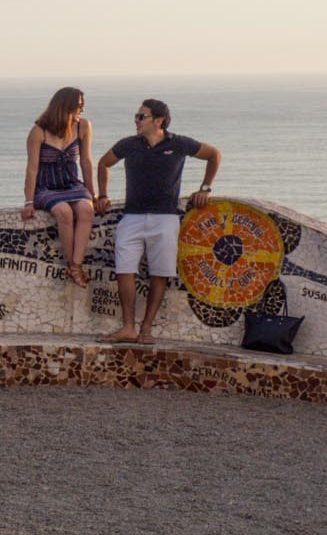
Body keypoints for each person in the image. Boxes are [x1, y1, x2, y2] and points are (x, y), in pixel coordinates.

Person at [93, 98, 223, 344]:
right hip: (132, 216)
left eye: (141, 116)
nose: (136, 120)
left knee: (160, 273)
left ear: (158, 120)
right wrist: (102, 195)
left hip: (165, 217)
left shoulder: (179, 143)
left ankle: (147, 329)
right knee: (124, 270)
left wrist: (205, 188)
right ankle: (128, 327)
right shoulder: (129, 145)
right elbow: (104, 163)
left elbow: (214, 155)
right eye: (136, 116)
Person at [20, 87, 99, 288]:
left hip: (72, 183)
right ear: (65, 106)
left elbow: (86, 162)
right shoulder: (39, 132)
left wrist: (92, 192)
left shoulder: (83, 126)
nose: (82, 108)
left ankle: (76, 265)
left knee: (86, 209)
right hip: (46, 187)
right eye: (78, 105)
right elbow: (31, 169)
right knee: (64, 212)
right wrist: (29, 201)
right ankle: (72, 264)